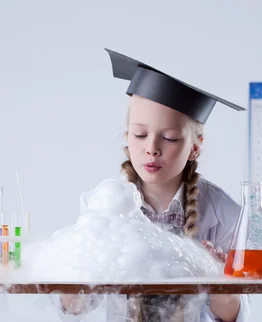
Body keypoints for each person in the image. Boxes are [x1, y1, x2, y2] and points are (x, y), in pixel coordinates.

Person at [54, 49, 250, 322]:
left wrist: (217, 277)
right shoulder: (100, 203)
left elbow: (234, 316)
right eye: (140, 135)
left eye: (169, 138)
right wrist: (76, 264)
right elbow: (75, 307)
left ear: (195, 147)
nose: (152, 149)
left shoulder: (225, 214)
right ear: (127, 137)